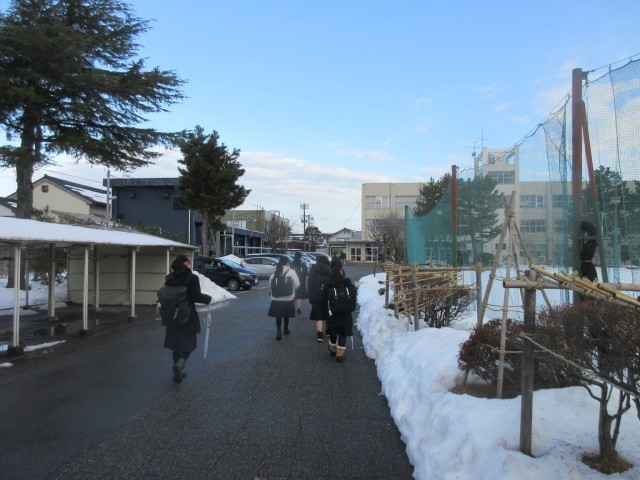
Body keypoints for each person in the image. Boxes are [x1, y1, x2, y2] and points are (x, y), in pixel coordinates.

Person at [163, 254, 212, 383]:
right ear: (186, 263)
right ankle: (180, 365)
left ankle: (177, 373)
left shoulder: (170, 278)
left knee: (176, 345)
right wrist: (208, 298)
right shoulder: (192, 278)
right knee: (189, 344)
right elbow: (196, 296)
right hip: (187, 316)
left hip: (171, 315)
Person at [323, 257, 356, 362]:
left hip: (332, 311)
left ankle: (333, 349)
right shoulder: (346, 280)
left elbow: (323, 296)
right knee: (343, 332)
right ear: (341, 268)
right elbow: (354, 293)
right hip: (345, 311)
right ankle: (340, 354)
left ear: (330, 268)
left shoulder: (328, 281)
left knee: (333, 331)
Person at [268, 256, 300, 340]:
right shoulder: (291, 271)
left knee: (278, 315)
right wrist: (291, 290)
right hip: (288, 297)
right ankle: (286, 329)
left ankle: (278, 331)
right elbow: (297, 284)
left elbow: (270, 284)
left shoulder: (275, 272)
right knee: (286, 314)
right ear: (287, 262)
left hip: (276, 298)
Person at [307, 254, 331, 342]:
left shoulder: (313, 270)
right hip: (328, 296)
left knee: (319, 316)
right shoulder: (330, 269)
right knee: (328, 314)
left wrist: (310, 296)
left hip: (316, 295)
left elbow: (309, 285)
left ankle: (319, 334)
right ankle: (328, 331)